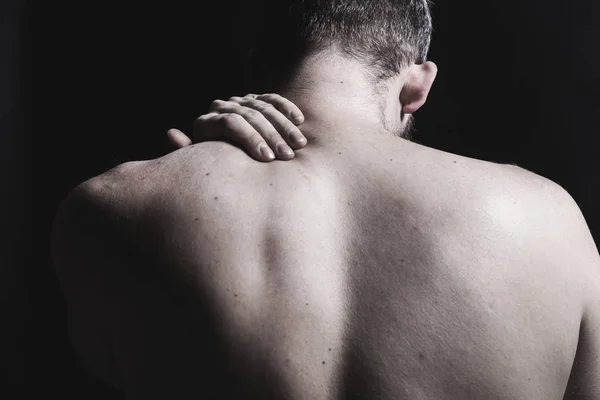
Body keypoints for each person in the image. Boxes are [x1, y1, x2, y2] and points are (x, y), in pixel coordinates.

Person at [51, 0, 600, 398]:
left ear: (256, 63)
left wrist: (175, 177)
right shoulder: (551, 222)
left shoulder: (107, 208)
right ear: (416, 86)